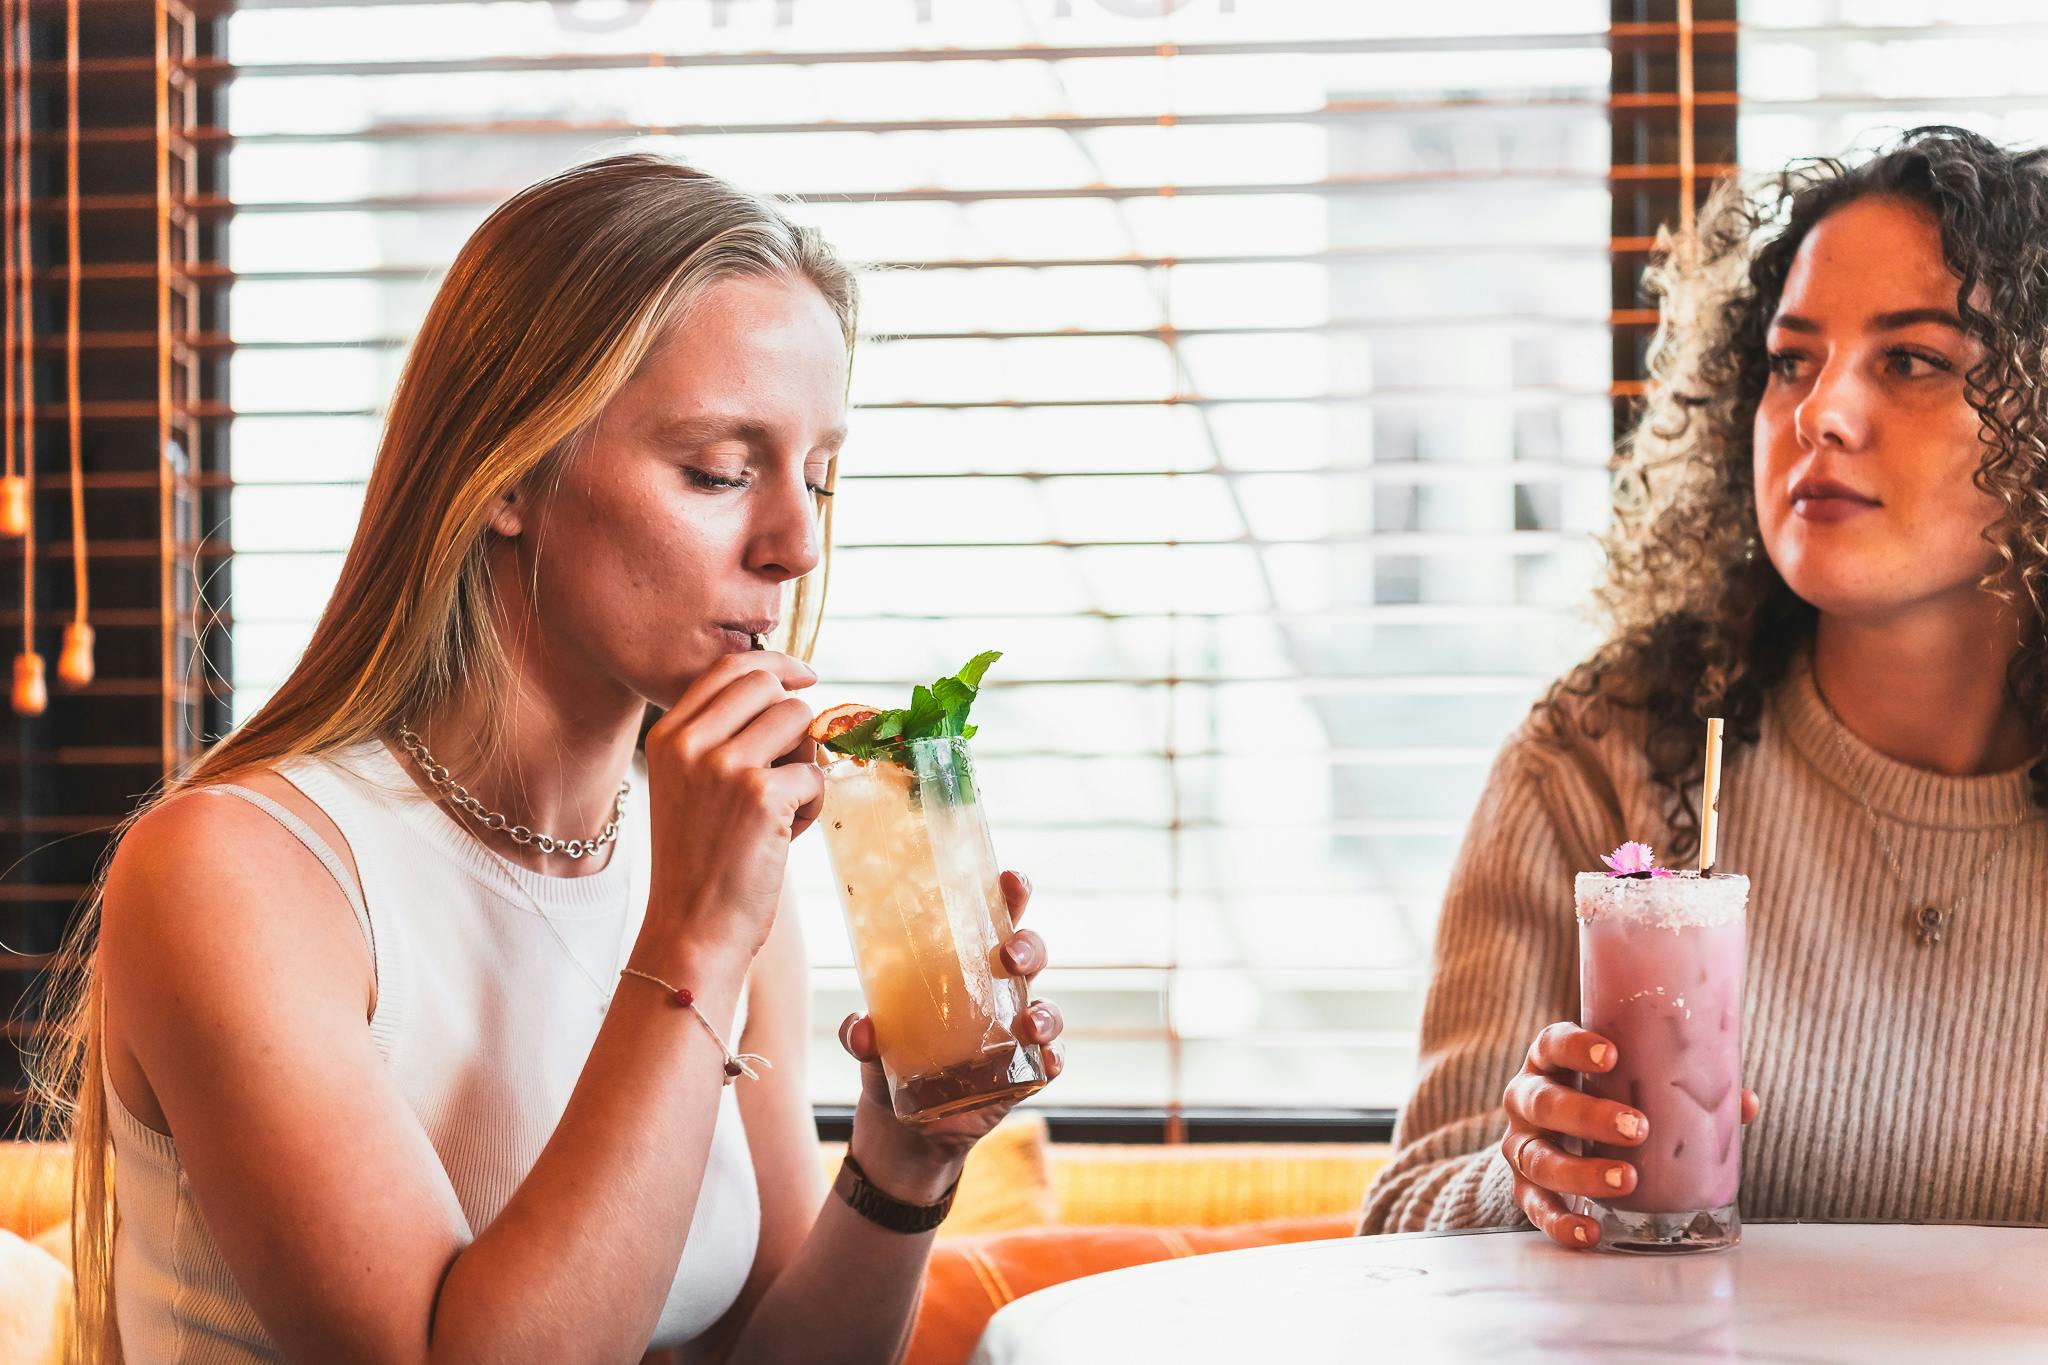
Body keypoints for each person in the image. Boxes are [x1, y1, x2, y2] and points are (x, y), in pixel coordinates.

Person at [32, 154, 1065, 1362]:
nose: (794, 545)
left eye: (817, 477)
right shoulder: (236, 873)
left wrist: (905, 1162)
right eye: (718, 472)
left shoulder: (715, 866)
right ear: (512, 471)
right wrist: (692, 934)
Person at [1360, 126, 2048, 1247]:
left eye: (1911, 360)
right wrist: (1530, 1182)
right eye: (1790, 360)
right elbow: (1399, 1227)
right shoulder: (1605, 758)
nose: (1817, 414)